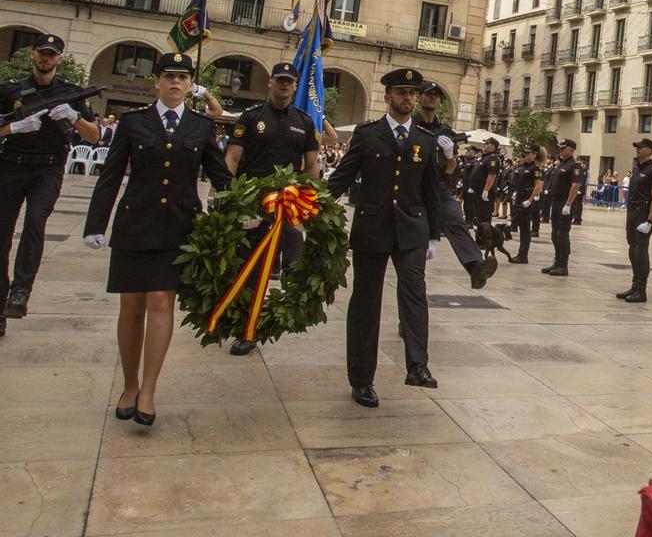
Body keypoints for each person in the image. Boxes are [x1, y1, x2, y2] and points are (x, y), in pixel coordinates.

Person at [82, 49, 231, 426]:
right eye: (169, 76)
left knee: (162, 301)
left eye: (183, 78)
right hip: (135, 224)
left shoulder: (200, 126)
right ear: (158, 81)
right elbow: (111, 175)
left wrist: (245, 210)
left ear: (189, 84)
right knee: (131, 306)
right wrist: (95, 224)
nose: (176, 83)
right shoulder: (134, 123)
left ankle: (148, 390)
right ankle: (129, 385)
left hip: (179, 227)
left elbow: (220, 177)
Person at [326, 68, 445, 405]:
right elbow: (341, 178)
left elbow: (431, 192)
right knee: (366, 301)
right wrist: (310, 202)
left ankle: (418, 365)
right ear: (388, 96)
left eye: (412, 93)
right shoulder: (368, 134)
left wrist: (433, 236)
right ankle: (361, 378)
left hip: (412, 229)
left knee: (414, 290)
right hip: (372, 227)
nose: (408, 98)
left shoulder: (425, 139)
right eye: (401, 92)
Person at [0, 32, 101, 328]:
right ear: (32, 54)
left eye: (52, 54)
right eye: (42, 53)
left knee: (35, 223)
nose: (46, 58)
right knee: (1, 235)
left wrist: (73, 117)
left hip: (48, 169)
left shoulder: (72, 92)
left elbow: (94, 136)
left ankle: (21, 290)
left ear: (60, 58)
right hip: (11, 166)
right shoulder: (10, 90)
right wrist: (13, 128)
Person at [223, 60, 321, 355]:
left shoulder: (304, 121)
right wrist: (225, 195)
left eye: (289, 81)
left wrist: (315, 200)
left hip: (288, 204)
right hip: (253, 203)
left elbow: (312, 165)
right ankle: (247, 330)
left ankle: (282, 320)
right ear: (270, 82)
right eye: (279, 79)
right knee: (250, 267)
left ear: (294, 86)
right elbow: (233, 158)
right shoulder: (250, 117)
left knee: (295, 263)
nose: (284, 85)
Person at [413, 86, 491, 288]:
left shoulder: (446, 131)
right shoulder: (410, 124)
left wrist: (448, 155)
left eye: (435, 96)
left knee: (456, 219)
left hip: (438, 184)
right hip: (412, 186)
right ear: (419, 97)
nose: (431, 98)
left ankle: (475, 266)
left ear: (440, 101)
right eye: (427, 94)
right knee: (414, 236)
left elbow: (451, 168)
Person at [619, 138, 652, 302]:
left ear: (649, 150)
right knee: (632, 249)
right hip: (632, 212)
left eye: (641, 147)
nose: (637, 149)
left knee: (640, 251)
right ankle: (634, 285)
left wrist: (649, 221)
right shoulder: (637, 167)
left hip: (643, 213)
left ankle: (641, 290)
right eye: (637, 147)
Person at [542, 138, 580, 274]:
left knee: (562, 234)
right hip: (556, 202)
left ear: (571, 150)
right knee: (554, 234)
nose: (561, 150)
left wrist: (568, 204)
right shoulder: (561, 164)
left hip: (565, 203)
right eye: (560, 148)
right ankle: (557, 261)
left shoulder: (573, 165)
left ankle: (563, 265)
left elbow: (575, 186)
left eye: (563, 148)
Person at [511, 143, 540, 262]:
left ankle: (523, 255)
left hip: (526, 199)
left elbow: (538, 186)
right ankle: (520, 253)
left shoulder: (535, 168)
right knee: (520, 226)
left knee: (525, 228)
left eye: (529, 153)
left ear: (535, 154)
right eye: (526, 153)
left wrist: (530, 200)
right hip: (519, 197)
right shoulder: (522, 167)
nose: (526, 155)